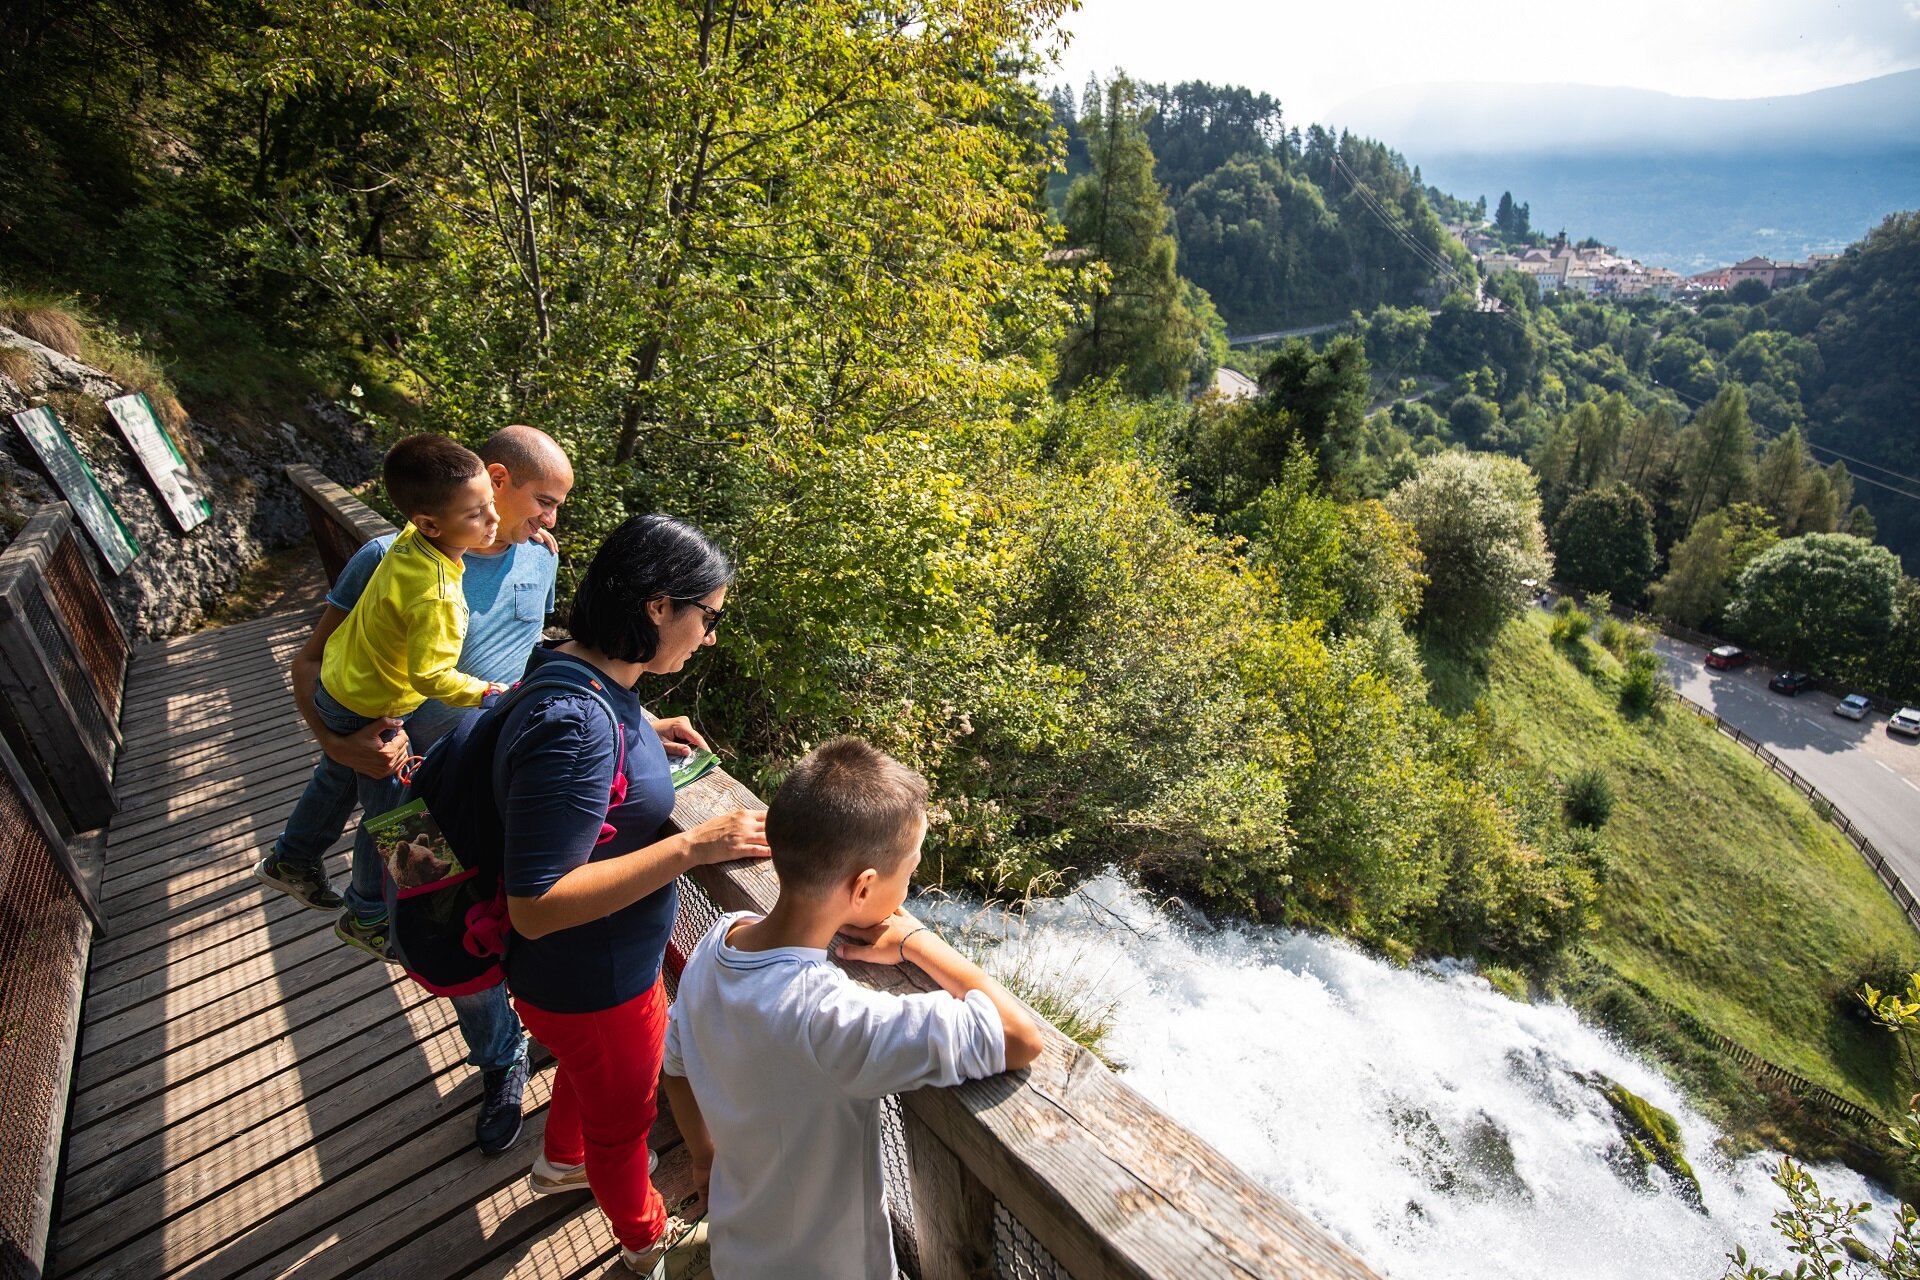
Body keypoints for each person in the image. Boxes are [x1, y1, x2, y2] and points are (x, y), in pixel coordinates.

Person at [431, 513, 768, 1275]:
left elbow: (581, 719)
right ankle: (648, 1243)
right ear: (658, 606)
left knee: (594, 1081)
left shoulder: (569, 666)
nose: (710, 637)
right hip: (593, 981)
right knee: (625, 1128)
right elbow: (538, 905)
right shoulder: (576, 727)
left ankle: (560, 1162)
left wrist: (641, 722)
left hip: (580, 979)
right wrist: (693, 846)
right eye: (708, 617)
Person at [270, 424, 594, 1156]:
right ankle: (501, 1060)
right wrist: (336, 744)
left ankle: (375, 914)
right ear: (497, 481)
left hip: (496, 782)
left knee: (514, 916)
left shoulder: (540, 558)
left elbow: (533, 654)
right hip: (412, 799)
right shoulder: (388, 558)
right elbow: (311, 661)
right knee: (450, 930)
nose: (553, 520)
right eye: (545, 501)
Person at [660, 737, 1045, 1280]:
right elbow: (1019, 1035)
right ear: (862, 888)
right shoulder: (832, 1018)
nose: (909, 888)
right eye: (908, 872)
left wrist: (705, 1159)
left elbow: (674, 1067)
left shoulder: (715, 946)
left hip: (736, 1251)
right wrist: (917, 941)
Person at [257, 432, 502, 917]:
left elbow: (454, 503)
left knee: (338, 778)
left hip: (342, 685)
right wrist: (486, 692)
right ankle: (373, 915)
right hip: (372, 705)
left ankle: (291, 859)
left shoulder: (411, 542)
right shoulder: (437, 596)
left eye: (492, 503)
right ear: (428, 523)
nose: (492, 519)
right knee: (396, 808)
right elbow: (432, 677)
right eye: (477, 514)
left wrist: (519, 527)